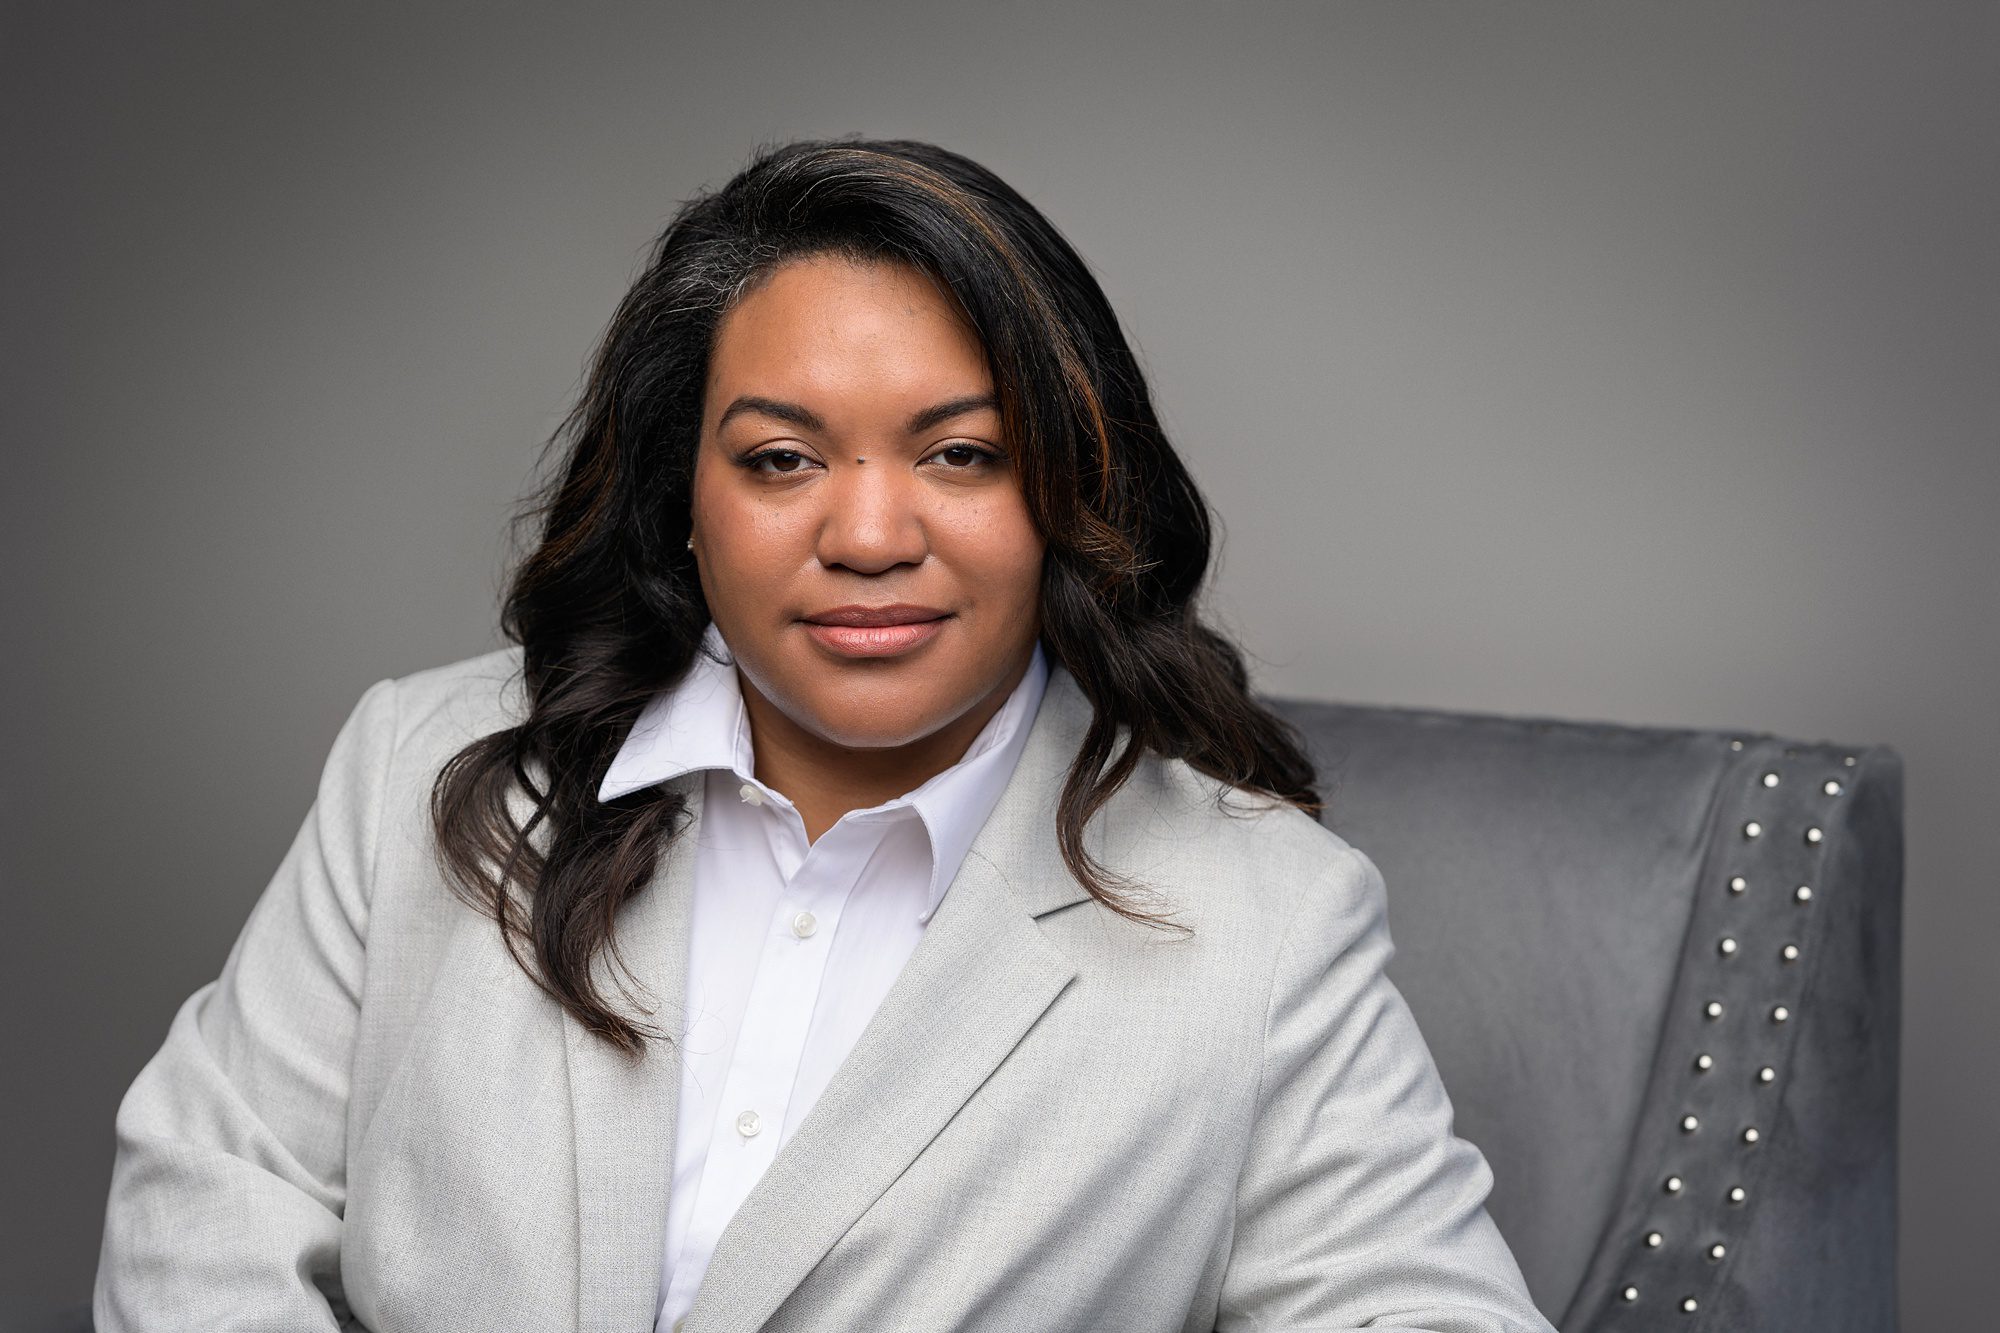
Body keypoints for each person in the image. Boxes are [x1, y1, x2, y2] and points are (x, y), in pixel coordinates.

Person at [94, 138, 1556, 1332]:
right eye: (783, 459)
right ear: (684, 493)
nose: (868, 534)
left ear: (1065, 489)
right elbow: (208, 1193)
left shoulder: (1264, 917)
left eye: (961, 455)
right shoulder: (419, 767)